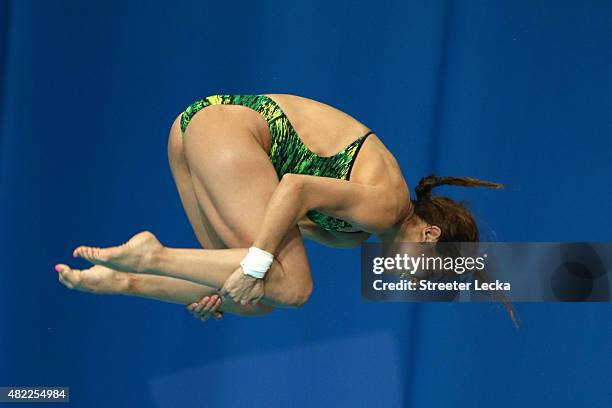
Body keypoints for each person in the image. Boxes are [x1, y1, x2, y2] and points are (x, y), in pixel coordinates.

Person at [55, 94, 502, 322]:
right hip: (230, 132)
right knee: (294, 288)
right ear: (430, 236)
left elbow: (269, 221)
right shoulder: (387, 207)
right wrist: (257, 264)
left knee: (253, 300)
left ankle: (126, 279)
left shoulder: (355, 234)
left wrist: (233, 280)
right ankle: (152, 254)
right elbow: (292, 189)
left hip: (195, 131)